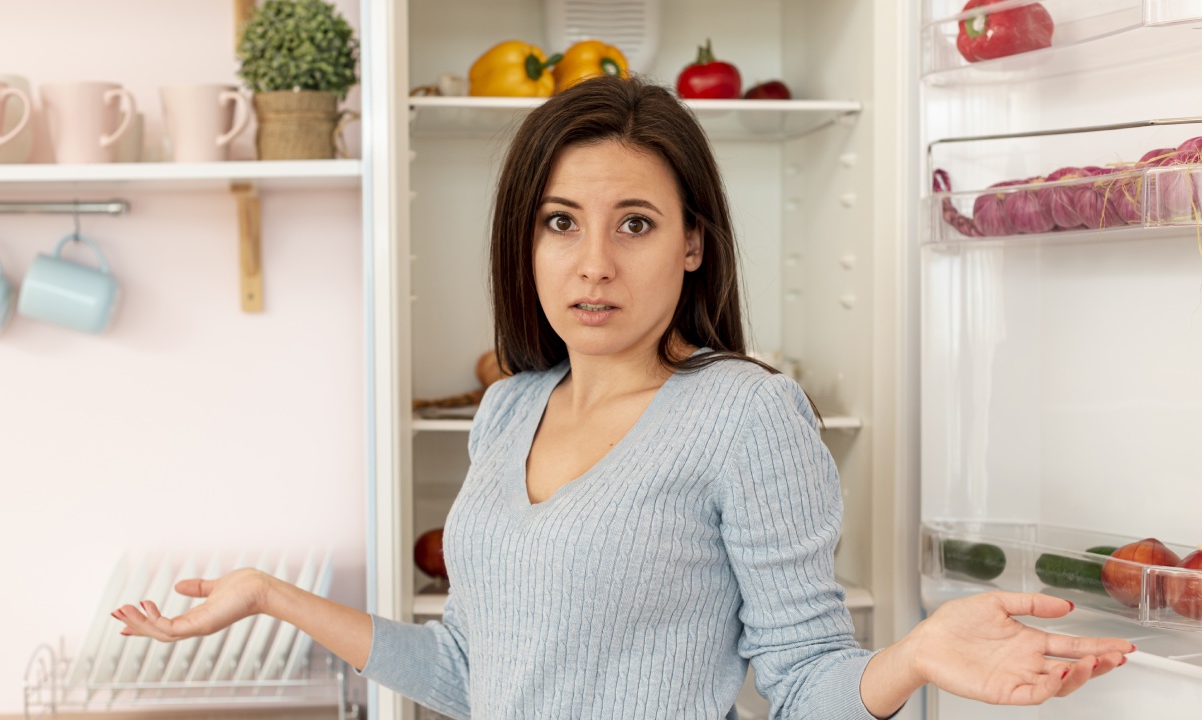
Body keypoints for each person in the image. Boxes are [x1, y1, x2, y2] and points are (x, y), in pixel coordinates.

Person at [112, 75, 1134, 719]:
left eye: (633, 225)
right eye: (560, 222)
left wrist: (907, 658)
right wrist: (270, 596)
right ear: (526, 238)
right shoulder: (510, 409)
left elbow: (802, 682)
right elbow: (472, 674)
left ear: (692, 244)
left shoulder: (744, 414)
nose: (591, 263)